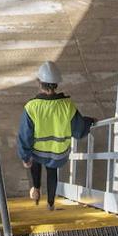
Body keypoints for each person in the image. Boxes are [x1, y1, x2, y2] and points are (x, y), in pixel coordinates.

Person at [17, 61, 95, 210]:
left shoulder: (32, 107)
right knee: (52, 173)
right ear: (57, 84)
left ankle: (36, 189)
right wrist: (90, 121)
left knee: (35, 164)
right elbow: (78, 131)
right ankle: (51, 204)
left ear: (39, 83)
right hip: (58, 153)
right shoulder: (67, 105)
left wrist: (25, 157)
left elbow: (25, 136)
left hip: (38, 151)